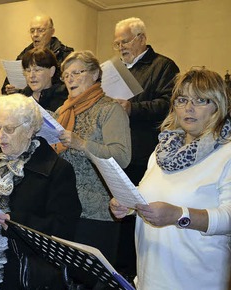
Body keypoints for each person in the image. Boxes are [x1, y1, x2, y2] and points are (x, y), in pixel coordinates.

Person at [110, 68, 231, 289]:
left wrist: (179, 215)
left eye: (200, 100)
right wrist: (128, 204)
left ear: (218, 106)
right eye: (182, 100)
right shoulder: (163, 149)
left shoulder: (226, 152)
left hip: (196, 278)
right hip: (150, 275)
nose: (189, 108)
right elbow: (149, 193)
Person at [0, 94, 81, 289]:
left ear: (31, 129)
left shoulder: (56, 169)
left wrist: (14, 222)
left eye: (9, 129)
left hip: (28, 272)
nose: (0, 136)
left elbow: (64, 227)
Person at [111, 17, 180, 279]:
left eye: (125, 41)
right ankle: (118, 271)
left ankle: (133, 273)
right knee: (119, 214)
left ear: (142, 38)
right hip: (119, 152)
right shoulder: (116, 69)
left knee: (136, 218)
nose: (120, 47)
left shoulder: (163, 66)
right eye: (116, 43)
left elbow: (169, 105)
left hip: (144, 154)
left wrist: (132, 108)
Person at [55, 51, 131, 265]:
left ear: (96, 73)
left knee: (92, 279)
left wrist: (82, 144)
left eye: (76, 73)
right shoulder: (63, 111)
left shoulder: (110, 109)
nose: (70, 79)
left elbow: (122, 157)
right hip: (63, 208)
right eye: (66, 75)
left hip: (97, 213)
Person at [2, 15, 74, 95]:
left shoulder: (65, 55)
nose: (35, 34)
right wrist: (11, 90)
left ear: (52, 31)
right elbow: (5, 88)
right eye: (32, 31)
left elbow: (68, 86)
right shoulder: (24, 56)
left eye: (41, 30)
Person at [19, 47, 67, 112]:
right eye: (28, 70)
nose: (31, 76)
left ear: (51, 71)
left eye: (37, 70)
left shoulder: (63, 99)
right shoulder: (22, 97)